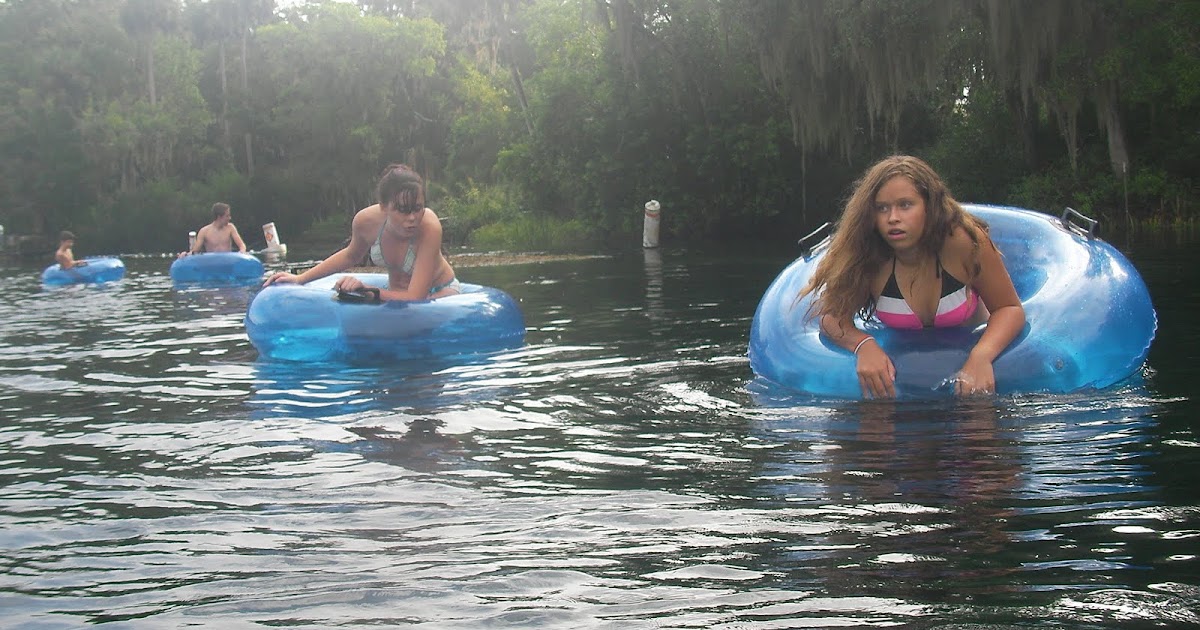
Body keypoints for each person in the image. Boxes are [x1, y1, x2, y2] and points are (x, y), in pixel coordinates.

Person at [799, 155, 1025, 399]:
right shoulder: (867, 255)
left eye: (905, 205)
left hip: (970, 350)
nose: (892, 217)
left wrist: (982, 355)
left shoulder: (963, 242)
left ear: (929, 206)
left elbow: (1009, 308)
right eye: (882, 208)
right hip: (902, 378)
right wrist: (863, 345)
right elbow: (831, 317)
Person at [263, 163, 460, 300]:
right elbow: (350, 256)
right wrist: (300, 279)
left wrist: (369, 291)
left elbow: (415, 298)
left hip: (439, 293)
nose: (412, 218)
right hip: (395, 292)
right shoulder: (366, 222)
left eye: (417, 208)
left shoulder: (429, 227)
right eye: (402, 210)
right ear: (384, 206)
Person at [182, 202, 247, 256]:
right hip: (212, 265)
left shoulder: (230, 228)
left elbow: (241, 245)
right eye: (227, 216)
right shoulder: (204, 231)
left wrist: (242, 251)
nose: (229, 218)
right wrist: (185, 254)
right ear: (219, 217)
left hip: (228, 263)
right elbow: (195, 251)